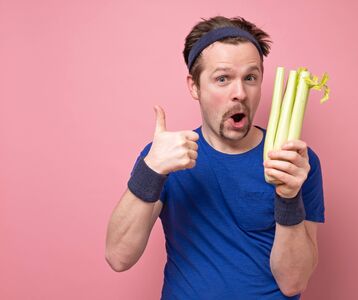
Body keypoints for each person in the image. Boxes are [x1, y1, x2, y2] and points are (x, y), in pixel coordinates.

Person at [105, 16, 325, 300]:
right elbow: (118, 257)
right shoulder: (164, 157)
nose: (240, 93)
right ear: (194, 86)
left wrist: (288, 196)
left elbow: (293, 282)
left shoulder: (296, 164)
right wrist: (152, 170)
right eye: (222, 79)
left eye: (250, 78)